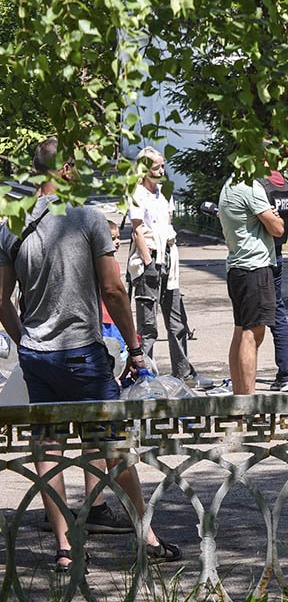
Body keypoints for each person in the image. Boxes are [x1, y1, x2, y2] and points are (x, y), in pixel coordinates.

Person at [0, 138, 181, 570]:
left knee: (48, 448)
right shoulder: (87, 218)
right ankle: (146, 536)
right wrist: (135, 348)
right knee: (113, 444)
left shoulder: (12, 225)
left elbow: (1, 300)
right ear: (64, 170)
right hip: (83, 352)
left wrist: (24, 341)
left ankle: (65, 548)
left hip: (37, 357)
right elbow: (114, 289)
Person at [126, 146, 213, 389]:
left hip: (168, 258)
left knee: (177, 320)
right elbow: (137, 230)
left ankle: (183, 372)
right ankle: (144, 378)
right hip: (149, 259)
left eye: (163, 166)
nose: (162, 171)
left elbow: (167, 224)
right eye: (157, 167)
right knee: (148, 326)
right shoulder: (137, 193)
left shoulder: (164, 192)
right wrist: (148, 263)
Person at [217, 173, 285, 395]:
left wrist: (266, 217)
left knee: (241, 331)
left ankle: (239, 397)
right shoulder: (251, 188)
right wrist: (274, 217)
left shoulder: (229, 184)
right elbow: (278, 229)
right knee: (253, 334)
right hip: (255, 268)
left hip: (237, 267)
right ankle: (249, 400)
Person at [258, 170, 288, 392]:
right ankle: (285, 375)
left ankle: (244, 376)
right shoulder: (284, 184)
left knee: (250, 316)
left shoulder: (259, 184)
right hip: (279, 252)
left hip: (261, 254)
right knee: (278, 314)